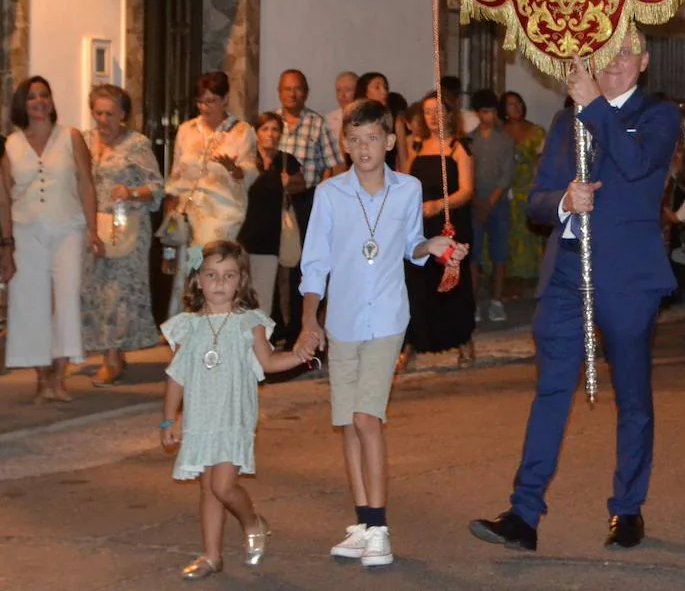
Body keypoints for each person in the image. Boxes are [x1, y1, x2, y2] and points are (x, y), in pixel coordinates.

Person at [468, 29, 679, 553]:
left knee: (631, 396)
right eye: (606, 52)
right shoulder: (564, 122)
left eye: (627, 52)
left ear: (645, 61)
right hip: (567, 272)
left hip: (628, 279)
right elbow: (536, 203)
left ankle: (627, 509)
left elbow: (634, 164)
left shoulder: (658, 116)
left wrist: (593, 108)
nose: (615, 63)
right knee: (551, 391)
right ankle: (524, 513)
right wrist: (564, 200)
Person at [293, 98, 463, 568]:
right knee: (348, 422)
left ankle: (379, 526)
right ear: (345, 144)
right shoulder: (330, 194)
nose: (363, 148)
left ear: (389, 142)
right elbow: (315, 264)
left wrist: (434, 244)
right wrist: (311, 320)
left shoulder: (407, 189)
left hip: (388, 317)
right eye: (354, 139)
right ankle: (364, 523)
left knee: (369, 418)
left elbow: (412, 247)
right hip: (342, 320)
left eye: (372, 139)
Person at [158, 240, 305, 579]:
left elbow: (267, 361)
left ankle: (252, 522)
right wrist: (170, 417)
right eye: (211, 275)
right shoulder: (188, 325)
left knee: (223, 487)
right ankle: (211, 556)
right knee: (208, 487)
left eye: (228, 275)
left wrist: (298, 355)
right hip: (200, 416)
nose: (219, 283)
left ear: (241, 280)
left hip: (234, 415)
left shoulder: (248, 321)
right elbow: (176, 376)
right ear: (198, 280)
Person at [2, 76, 102, 401]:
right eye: (32, 97)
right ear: (23, 104)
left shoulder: (70, 137)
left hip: (67, 228)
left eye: (44, 95)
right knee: (29, 304)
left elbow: (86, 184)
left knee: (66, 298)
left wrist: (93, 229)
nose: (39, 101)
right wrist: (6, 246)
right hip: (25, 230)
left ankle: (59, 376)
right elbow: (4, 199)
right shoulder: (11, 145)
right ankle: (41, 377)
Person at [82, 84, 163, 386]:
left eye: (110, 113)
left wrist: (130, 192)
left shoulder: (137, 145)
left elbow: (157, 187)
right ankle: (113, 352)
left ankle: (112, 358)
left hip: (126, 229)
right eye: (98, 112)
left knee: (119, 294)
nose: (103, 119)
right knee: (99, 293)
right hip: (94, 229)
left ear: (124, 115)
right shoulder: (85, 141)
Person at [164, 71, 258, 315]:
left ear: (225, 99)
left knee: (209, 266)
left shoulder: (241, 131)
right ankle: (186, 325)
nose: (205, 107)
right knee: (187, 268)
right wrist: (171, 213)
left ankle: (214, 320)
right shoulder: (186, 130)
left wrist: (232, 168)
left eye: (211, 100)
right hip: (188, 210)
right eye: (201, 101)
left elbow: (248, 174)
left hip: (222, 213)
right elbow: (175, 175)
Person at [400, 91, 475, 370]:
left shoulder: (458, 148)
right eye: (428, 112)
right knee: (417, 283)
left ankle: (464, 340)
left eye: (438, 111)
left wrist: (438, 205)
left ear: (449, 115)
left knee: (455, 283)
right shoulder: (417, 146)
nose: (433, 117)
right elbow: (405, 183)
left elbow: (467, 191)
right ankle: (413, 343)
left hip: (450, 222)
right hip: (421, 224)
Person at [275, 69, 344, 342]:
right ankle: (276, 324)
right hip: (274, 205)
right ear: (279, 92)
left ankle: (300, 328)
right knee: (273, 268)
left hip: (305, 203)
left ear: (306, 91)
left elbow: (335, 165)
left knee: (302, 267)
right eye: (287, 89)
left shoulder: (317, 124)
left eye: (298, 89)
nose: (293, 94)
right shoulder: (270, 122)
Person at [237, 113, 304, 320]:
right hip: (239, 234)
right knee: (237, 292)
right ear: (256, 133)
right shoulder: (246, 159)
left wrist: (287, 182)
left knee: (263, 296)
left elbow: (302, 185)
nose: (270, 134)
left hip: (269, 237)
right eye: (265, 129)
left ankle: (260, 342)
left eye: (275, 129)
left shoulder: (285, 160)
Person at [469, 89, 515, 322]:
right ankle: (473, 302)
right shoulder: (469, 140)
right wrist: (477, 200)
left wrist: (490, 202)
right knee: (473, 255)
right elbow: (465, 174)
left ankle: (497, 301)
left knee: (500, 254)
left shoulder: (505, 140)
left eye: (492, 111)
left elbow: (507, 176)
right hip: (474, 202)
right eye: (485, 112)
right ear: (477, 113)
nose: (489, 116)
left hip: (497, 204)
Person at [502, 90, 547, 292]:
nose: (516, 107)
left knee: (528, 234)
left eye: (519, 103)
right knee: (508, 234)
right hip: (505, 190)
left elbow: (543, 161)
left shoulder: (536, 131)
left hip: (529, 188)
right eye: (511, 104)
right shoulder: (500, 132)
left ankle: (531, 279)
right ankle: (508, 281)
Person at [327, 71, 358, 146]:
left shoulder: (369, 119)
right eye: (338, 90)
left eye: (348, 90)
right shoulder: (328, 120)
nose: (342, 95)